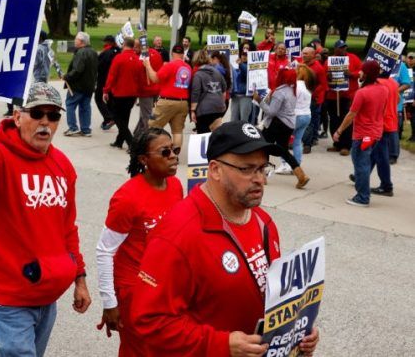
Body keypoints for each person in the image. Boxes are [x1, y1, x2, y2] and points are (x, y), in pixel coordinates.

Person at [131, 121, 320, 356]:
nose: (260, 179)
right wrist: (220, 344)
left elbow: (272, 294)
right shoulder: (177, 234)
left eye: (262, 168)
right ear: (215, 170)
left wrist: (296, 329)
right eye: (246, 169)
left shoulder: (264, 222)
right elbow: (148, 322)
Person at [0, 82, 90, 357]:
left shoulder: (62, 164)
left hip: (47, 295)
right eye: (37, 113)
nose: (45, 123)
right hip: (8, 298)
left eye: (53, 116)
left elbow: (67, 228)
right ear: (17, 117)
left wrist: (79, 277)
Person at [95, 128, 183, 356]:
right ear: (144, 159)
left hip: (165, 286)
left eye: (175, 150)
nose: (173, 156)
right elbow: (104, 251)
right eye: (165, 152)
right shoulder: (127, 198)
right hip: (133, 290)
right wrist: (110, 303)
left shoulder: (176, 187)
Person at [333, 60, 387, 207]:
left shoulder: (362, 93)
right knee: (364, 163)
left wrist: (339, 131)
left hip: (364, 135)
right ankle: (363, 193)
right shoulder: (383, 89)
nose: (360, 73)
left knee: (361, 165)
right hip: (376, 133)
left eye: (362, 71)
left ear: (367, 73)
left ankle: (362, 197)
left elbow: (351, 115)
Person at [253, 68, 310, 188]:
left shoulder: (280, 92)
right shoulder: (292, 90)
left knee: (264, 148)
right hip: (288, 124)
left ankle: (263, 176)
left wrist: (259, 101)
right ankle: (301, 175)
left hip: (276, 124)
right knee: (283, 150)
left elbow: (272, 112)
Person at [144, 44, 191, 149]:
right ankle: (175, 153)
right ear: (183, 54)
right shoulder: (188, 67)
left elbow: (155, 78)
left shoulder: (170, 65)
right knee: (177, 131)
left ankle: (153, 150)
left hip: (167, 101)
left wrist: (148, 65)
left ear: (172, 53)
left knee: (153, 126)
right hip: (183, 102)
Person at [365, 66, 400, 197]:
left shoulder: (379, 84)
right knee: (375, 153)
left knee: (380, 155)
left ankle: (386, 186)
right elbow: (397, 100)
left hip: (380, 122)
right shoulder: (393, 83)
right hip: (390, 120)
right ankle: (362, 175)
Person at [103, 37, 142, 150]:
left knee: (117, 118)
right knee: (124, 118)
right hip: (132, 93)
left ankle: (131, 143)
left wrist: (106, 90)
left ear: (124, 44)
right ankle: (119, 141)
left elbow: (112, 76)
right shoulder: (137, 59)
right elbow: (139, 78)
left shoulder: (119, 58)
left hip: (120, 93)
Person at [325, 40, 362, 156]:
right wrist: (328, 75)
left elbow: (361, 73)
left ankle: (346, 145)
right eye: (341, 48)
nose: (343, 49)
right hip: (333, 95)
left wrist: (351, 74)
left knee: (345, 120)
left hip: (348, 95)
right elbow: (323, 75)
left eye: (345, 47)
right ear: (335, 49)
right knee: (334, 119)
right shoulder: (329, 61)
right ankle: (337, 144)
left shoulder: (354, 58)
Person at [64, 32, 98, 137]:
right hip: (89, 85)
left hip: (78, 86)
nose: (75, 41)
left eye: (76, 39)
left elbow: (78, 70)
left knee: (70, 104)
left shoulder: (80, 53)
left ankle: (73, 127)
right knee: (85, 107)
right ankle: (86, 129)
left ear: (82, 42)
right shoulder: (93, 52)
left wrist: (67, 76)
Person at [190, 51, 228, 134]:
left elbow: (195, 93)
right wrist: (223, 103)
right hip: (218, 107)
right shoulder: (217, 72)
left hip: (204, 109)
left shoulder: (198, 75)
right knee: (216, 134)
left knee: (203, 134)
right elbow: (224, 90)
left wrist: (192, 110)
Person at [134, 38, 163, 137]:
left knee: (147, 117)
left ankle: (148, 138)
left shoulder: (142, 57)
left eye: (135, 47)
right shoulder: (157, 53)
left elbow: (137, 73)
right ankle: (137, 134)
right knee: (145, 114)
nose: (134, 49)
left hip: (146, 90)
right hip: (156, 88)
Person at [301, 47, 327, 153]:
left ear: (313, 54)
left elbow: (323, 85)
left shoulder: (318, 68)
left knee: (309, 121)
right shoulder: (301, 64)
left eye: (306, 53)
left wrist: (311, 93)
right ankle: (306, 139)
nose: (304, 55)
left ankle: (307, 144)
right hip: (301, 97)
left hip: (312, 99)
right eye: (303, 53)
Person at [388, 56, 411, 164]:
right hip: (379, 104)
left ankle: (393, 155)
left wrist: (394, 90)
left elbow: (407, 83)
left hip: (395, 105)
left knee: (393, 131)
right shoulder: (380, 64)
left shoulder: (401, 66)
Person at [95, 35, 120, 130]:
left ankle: (108, 118)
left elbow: (99, 65)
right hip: (115, 80)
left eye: (105, 42)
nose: (103, 43)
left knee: (98, 98)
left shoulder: (106, 52)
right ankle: (112, 117)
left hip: (103, 79)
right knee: (110, 99)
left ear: (108, 42)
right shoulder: (118, 51)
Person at [293, 65, 315, 167]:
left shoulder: (296, 85)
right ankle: (297, 164)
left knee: (282, 141)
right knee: (297, 141)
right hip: (306, 115)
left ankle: (285, 164)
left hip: (296, 115)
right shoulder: (307, 87)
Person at [231, 49, 252, 122]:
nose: (244, 56)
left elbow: (247, 73)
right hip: (235, 96)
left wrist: (241, 64)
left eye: (246, 55)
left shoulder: (250, 66)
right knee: (233, 120)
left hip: (245, 96)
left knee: (244, 120)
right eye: (243, 55)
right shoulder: (235, 65)